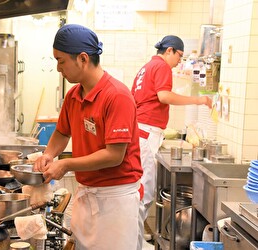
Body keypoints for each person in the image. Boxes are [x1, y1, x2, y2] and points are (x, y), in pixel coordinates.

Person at [33, 24, 143, 250]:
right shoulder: (74, 94)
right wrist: (48, 155)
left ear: (82, 58)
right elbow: (63, 132)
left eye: (61, 60)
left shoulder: (117, 96)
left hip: (115, 203)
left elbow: (114, 155)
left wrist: (66, 164)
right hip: (88, 195)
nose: (58, 68)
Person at [131, 35, 212, 249]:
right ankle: (134, 244)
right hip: (146, 135)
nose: (179, 61)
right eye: (179, 55)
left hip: (141, 132)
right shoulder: (162, 67)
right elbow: (164, 96)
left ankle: (135, 240)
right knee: (144, 195)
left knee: (140, 192)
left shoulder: (147, 67)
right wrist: (199, 100)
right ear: (170, 50)